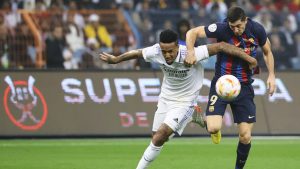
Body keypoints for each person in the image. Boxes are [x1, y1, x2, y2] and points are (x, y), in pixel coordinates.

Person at [100, 29, 257, 169]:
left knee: (160, 135)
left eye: (170, 51)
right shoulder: (156, 51)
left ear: (178, 47)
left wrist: (249, 59)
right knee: (156, 137)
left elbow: (221, 46)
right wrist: (116, 60)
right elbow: (137, 52)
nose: (167, 55)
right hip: (166, 98)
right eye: (164, 51)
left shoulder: (190, 53)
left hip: (185, 101)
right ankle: (194, 117)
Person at [184, 6, 276, 169]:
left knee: (245, 136)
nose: (235, 30)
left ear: (245, 20)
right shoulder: (221, 28)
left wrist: (271, 75)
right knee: (213, 128)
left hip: (244, 86)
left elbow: (267, 52)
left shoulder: (257, 30)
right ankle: (206, 123)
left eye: (239, 26)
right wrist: (190, 52)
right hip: (221, 84)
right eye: (232, 26)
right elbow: (193, 32)